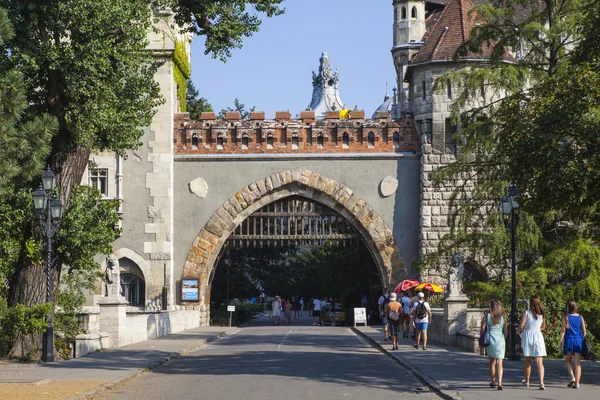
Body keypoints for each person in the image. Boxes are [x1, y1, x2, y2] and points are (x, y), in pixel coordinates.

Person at [519, 296, 547, 390]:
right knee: (539, 361)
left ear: (530, 303)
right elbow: (543, 327)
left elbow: (521, 326)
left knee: (528, 361)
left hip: (528, 336)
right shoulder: (542, 314)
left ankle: (527, 381)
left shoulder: (526, 313)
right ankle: (541, 383)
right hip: (538, 337)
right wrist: (537, 329)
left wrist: (518, 332)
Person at [559, 299, 587, 389]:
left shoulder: (566, 317)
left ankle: (572, 377)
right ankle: (577, 383)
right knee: (577, 363)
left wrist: (560, 341)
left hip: (568, 340)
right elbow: (584, 332)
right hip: (578, 340)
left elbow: (563, 330)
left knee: (568, 360)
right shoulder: (580, 317)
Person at [481, 299, 508, 390]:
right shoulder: (503, 318)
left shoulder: (487, 316)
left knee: (492, 363)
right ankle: (500, 382)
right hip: (500, 340)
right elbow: (506, 332)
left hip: (491, 340)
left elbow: (482, 329)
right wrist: (503, 338)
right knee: (500, 363)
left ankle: (493, 381)